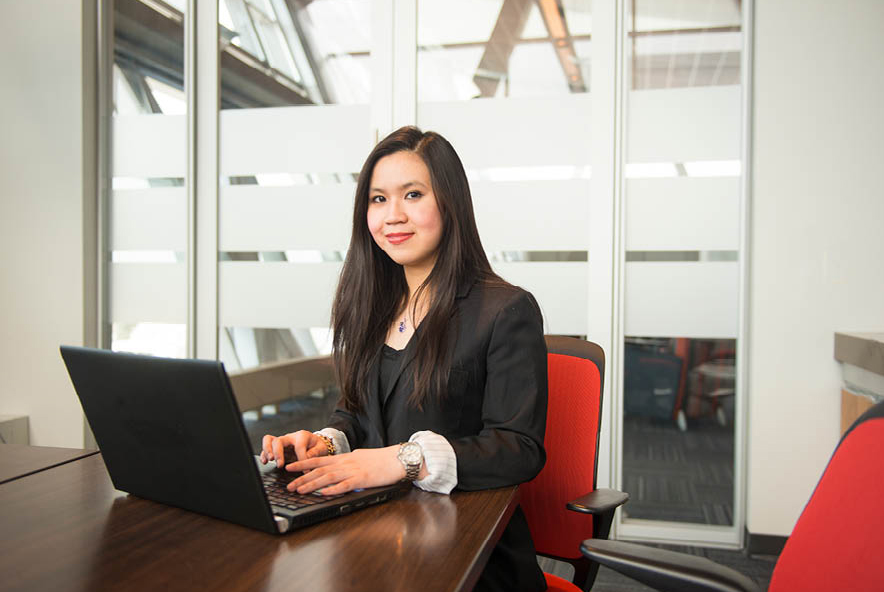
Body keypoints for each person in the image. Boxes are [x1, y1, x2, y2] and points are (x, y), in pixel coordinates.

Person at [260, 126, 548, 592]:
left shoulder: (504, 310)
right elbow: (356, 411)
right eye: (378, 199)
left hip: (467, 553)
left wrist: (405, 459)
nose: (393, 215)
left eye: (412, 194)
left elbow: (519, 448)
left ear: (450, 203)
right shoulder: (371, 303)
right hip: (370, 531)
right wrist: (326, 443)